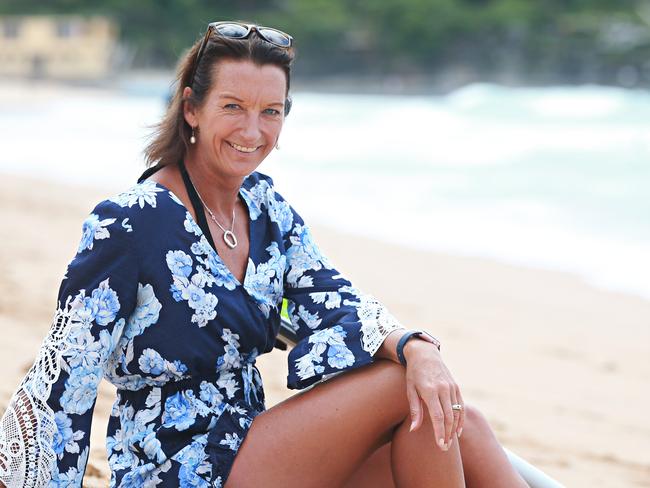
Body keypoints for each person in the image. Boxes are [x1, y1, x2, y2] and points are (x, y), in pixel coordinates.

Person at [0, 21, 528, 487]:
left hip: (255, 445)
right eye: (233, 107)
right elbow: (68, 375)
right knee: (402, 387)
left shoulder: (266, 209)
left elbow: (332, 297)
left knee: (458, 424)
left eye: (270, 112)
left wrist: (420, 348)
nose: (253, 131)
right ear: (191, 109)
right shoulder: (130, 220)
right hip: (179, 468)